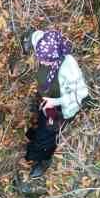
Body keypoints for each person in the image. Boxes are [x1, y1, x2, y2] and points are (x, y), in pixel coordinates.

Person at [24, 30, 89, 178]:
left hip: (59, 106)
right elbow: (36, 36)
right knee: (41, 122)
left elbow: (80, 94)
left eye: (47, 60)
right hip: (46, 100)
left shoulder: (69, 67)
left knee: (48, 134)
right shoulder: (45, 44)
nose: (42, 62)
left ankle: (43, 159)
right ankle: (36, 133)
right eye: (41, 57)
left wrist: (55, 102)